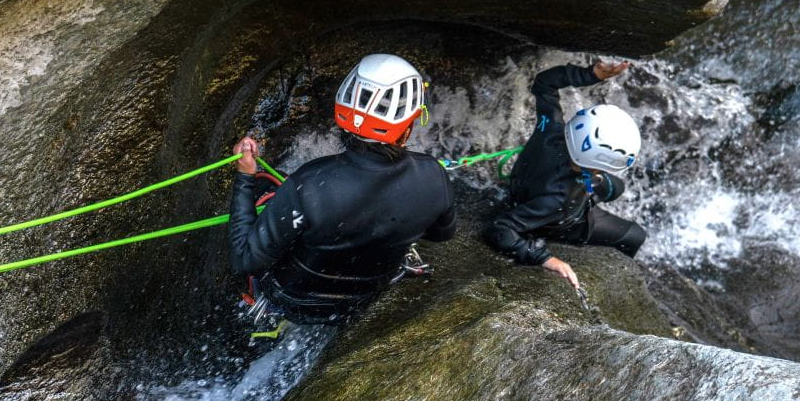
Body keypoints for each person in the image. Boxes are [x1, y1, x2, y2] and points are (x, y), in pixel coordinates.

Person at [228, 53, 456, 325]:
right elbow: (442, 234)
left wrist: (244, 177)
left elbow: (245, 259)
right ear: (407, 127)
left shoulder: (309, 183)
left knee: (264, 186)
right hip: (364, 298)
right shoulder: (433, 176)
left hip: (292, 301)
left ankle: (257, 308)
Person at [485, 60, 646, 290]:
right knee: (634, 233)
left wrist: (591, 74)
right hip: (560, 220)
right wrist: (544, 258)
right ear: (594, 163)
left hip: (528, 186)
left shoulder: (550, 128)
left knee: (612, 188)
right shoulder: (557, 198)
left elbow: (545, 83)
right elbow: (499, 228)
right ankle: (624, 286)